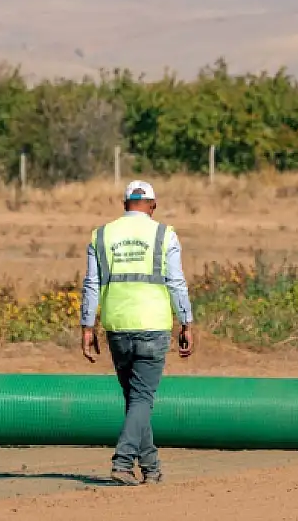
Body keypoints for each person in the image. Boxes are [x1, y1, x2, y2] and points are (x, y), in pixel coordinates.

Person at [80, 179, 194, 486]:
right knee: (142, 398)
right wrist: (186, 322)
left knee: (135, 399)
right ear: (153, 206)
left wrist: (87, 326)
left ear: (124, 205)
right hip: (153, 325)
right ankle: (122, 461)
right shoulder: (164, 234)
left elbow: (91, 284)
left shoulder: (102, 234)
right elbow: (176, 282)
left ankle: (152, 466)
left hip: (117, 326)